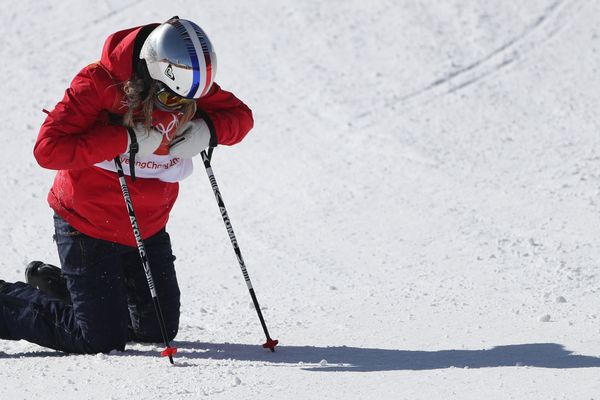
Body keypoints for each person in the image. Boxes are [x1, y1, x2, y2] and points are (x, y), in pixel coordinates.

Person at [0, 17, 253, 354]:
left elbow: (241, 116)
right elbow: (48, 149)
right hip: (87, 226)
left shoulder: (188, 84)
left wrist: (209, 129)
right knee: (97, 340)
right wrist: (124, 138)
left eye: (187, 103)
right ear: (154, 74)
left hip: (147, 227)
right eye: (170, 99)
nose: (178, 108)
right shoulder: (97, 84)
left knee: (156, 330)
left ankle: (74, 292)